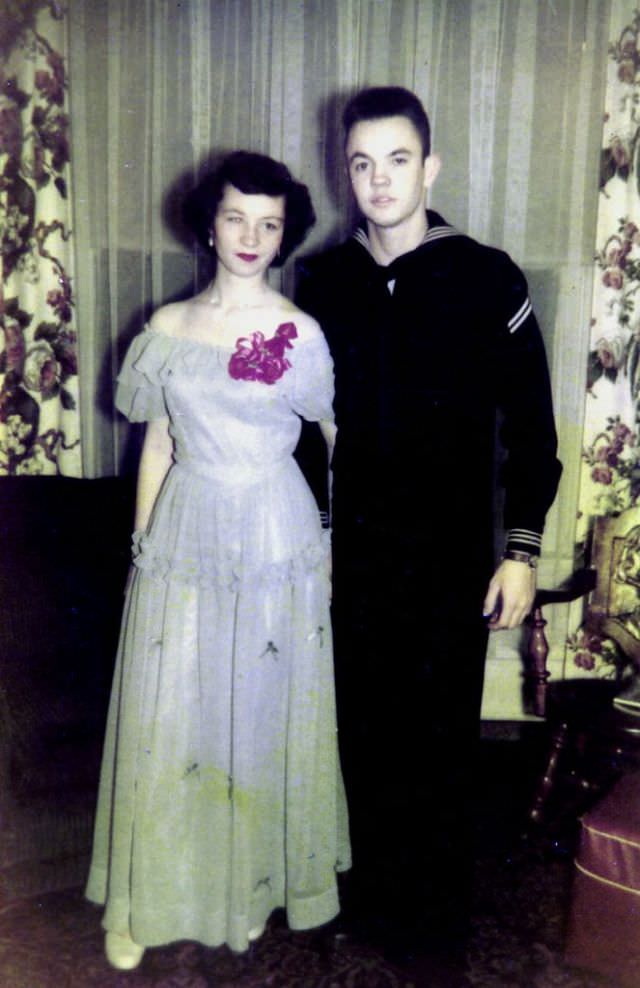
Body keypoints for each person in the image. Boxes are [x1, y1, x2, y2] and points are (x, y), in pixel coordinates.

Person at [296, 86, 562, 969]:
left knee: (439, 739)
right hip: (358, 548)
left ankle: (436, 929)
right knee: (363, 730)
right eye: (362, 163)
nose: (379, 180)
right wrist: (324, 535)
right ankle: (371, 901)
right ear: (347, 172)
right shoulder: (325, 280)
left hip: (450, 553)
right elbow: (302, 429)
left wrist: (521, 552)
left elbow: (532, 431)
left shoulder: (487, 275)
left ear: (430, 166)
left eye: (397, 159)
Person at [86, 151, 350, 971]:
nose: (251, 237)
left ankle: (245, 892)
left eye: (270, 224)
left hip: (277, 533)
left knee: (261, 713)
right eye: (237, 217)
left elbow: (341, 440)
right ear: (209, 221)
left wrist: (334, 542)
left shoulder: (301, 333)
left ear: (284, 236)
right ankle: (143, 904)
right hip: (186, 528)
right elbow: (158, 442)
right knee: (173, 716)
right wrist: (144, 548)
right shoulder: (165, 330)